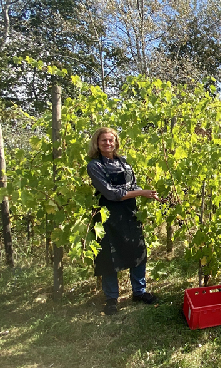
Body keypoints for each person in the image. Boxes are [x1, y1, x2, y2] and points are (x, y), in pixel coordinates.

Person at [87, 127, 159, 315]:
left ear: (116, 142)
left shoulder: (124, 162)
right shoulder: (94, 166)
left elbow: (132, 185)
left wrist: (149, 193)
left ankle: (139, 292)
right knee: (109, 256)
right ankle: (111, 298)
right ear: (97, 143)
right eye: (104, 140)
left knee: (137, 250)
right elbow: (111, 193)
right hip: (107, 215)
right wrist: (141, 193)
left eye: (111, 140)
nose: (108, 143)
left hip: (129, 212)